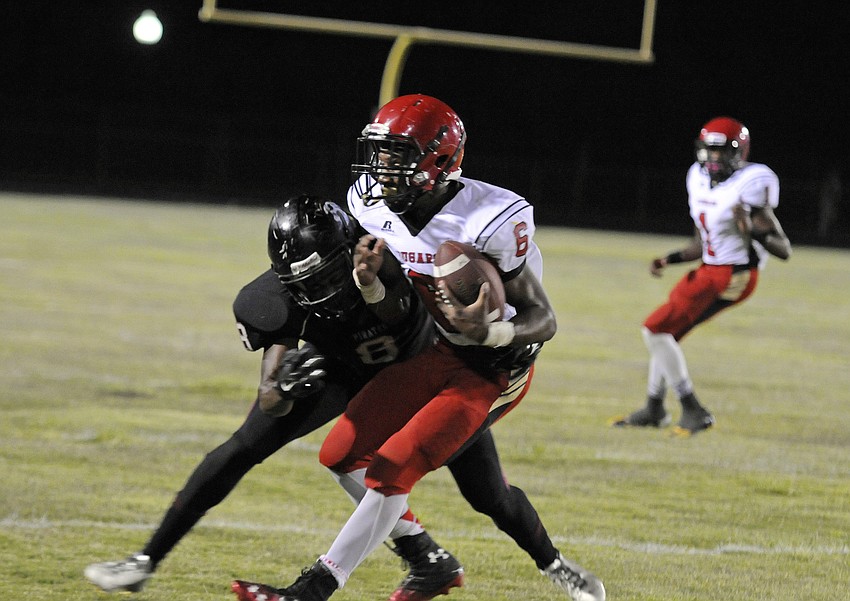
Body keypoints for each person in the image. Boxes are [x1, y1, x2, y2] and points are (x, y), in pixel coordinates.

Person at [232, 95, 606, 601]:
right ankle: (439, 563)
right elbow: (394, 308)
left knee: (397, 469)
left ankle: (314, 589)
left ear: (438, 160)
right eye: (379, 154)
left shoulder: (490, 217)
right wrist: (370, 286)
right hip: (440, 350)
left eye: (397, 157)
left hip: (498, 365)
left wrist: (489, 333)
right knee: (342, 454)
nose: (382, 169)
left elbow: (545, 320)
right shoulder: (372, 203)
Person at [84, 195, 458, 599]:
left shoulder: (379, 253)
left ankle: (502, 559)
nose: (321, 292)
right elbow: (269, 397)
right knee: (242, 448)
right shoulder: (273, 299)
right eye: (306, 285)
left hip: (415, 369)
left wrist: (370, 286)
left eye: (329, 276)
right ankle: (145, 561)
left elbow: (399, 311)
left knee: (488, 493)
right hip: (341, 367)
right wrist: (282, 387)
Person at [612, 116, 792, 435]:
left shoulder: (751, 183)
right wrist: (670, 258)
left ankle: (693, 409)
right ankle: (654, 408)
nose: (712, 159)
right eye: (708, 151)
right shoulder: (696, 177)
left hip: (734, 274)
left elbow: (783, 249)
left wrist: (750, 229)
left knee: (654, 331)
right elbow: (702, 242)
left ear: (739, 152)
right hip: (710, 268)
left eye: (720, 152)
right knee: (666, 334)